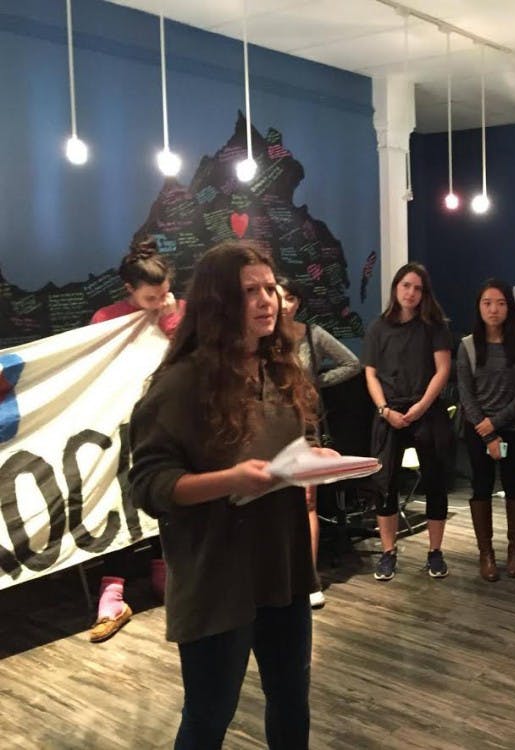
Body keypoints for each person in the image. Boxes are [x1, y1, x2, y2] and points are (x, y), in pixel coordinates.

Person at [128, 242, 322, 749]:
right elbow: (149, 485)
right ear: (218, 303)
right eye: (250, 291)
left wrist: (313, 459)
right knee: (209, 716)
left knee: (291, 699)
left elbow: (288, 443)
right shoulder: (181, 384)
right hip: (216, 576)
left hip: (280, 564)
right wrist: (230, 480)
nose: (266, 300)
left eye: (269, 288)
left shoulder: (279, 368)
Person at [87, 238, 184, 643]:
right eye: (150, 297)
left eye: (164, 293)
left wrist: (170, 317)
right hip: (121, 427)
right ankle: (113, 590)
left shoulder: (177, 311)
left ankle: (164, 571)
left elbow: (189, 355)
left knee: (167, 497)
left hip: (171, 425)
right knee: (119, 502)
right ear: (130, 289)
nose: (159, 302)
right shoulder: (107, 319)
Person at [363, 262, 453, 581]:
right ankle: (388, 552)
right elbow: (370, 374)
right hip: (389, 412)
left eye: (417, 288)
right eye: (406, 285)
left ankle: (435, 552)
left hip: (426, 410)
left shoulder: (434, 326)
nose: (411, 293)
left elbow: (443, 370)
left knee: (435, 481)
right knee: (384, 483)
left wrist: (421, 406)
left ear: (424, 293)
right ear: (396, 288)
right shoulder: (378, 327)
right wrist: (384, 409)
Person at [276, 277, 361, 609]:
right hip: (270, 426)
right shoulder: (261, 337)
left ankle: (308, 578)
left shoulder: (312, 334)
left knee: (307, 499)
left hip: (305, 425)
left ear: (298, 302)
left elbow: (352, 363)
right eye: (279, 297)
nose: (285, 304)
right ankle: (279, 575)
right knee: (274, 500)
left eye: (291, 298)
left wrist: (316, 383)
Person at [456, 279, 515, 581]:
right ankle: (486, 553)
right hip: (478, 429)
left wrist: (497, 423)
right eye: (487, 303)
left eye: (500, 303)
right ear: (479, 307)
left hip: (513, 427)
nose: (494, 309)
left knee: (514, 485)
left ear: (509, 308)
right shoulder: (467, 345)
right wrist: (487, 431)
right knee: (481, 486)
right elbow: (466, 394)